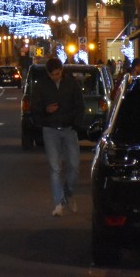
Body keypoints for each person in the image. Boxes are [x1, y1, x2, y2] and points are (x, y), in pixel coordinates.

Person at [30, 57, 85, 216]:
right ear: (48, 73)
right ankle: (59, 203)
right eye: (53, 74)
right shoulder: (41, 86)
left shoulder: (71, 83)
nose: (56, 76)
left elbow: (79, 105)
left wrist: (76, 123)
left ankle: (68, 191)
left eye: (59, 73)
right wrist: (46, 111)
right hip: (50, 129)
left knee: (74, 165)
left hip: (69, 128)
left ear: (62, 71)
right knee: (55, 168)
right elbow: (34, 109)